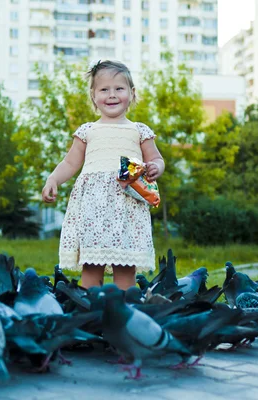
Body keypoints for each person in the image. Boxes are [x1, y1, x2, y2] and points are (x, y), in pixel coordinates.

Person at [41, 60, 165, 290]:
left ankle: (123, 309)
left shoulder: (139, 130)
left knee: (125, 263)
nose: (112, 95)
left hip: (127, 205)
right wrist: (53, 179)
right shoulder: (88, 131)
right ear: (93, 96)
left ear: (132, 93)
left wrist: (157, 167)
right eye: (104, 89)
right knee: (92, 261)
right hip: (93, 208)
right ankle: (90, 308)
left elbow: (156, 158)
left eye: (119, 89)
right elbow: (70, 162)